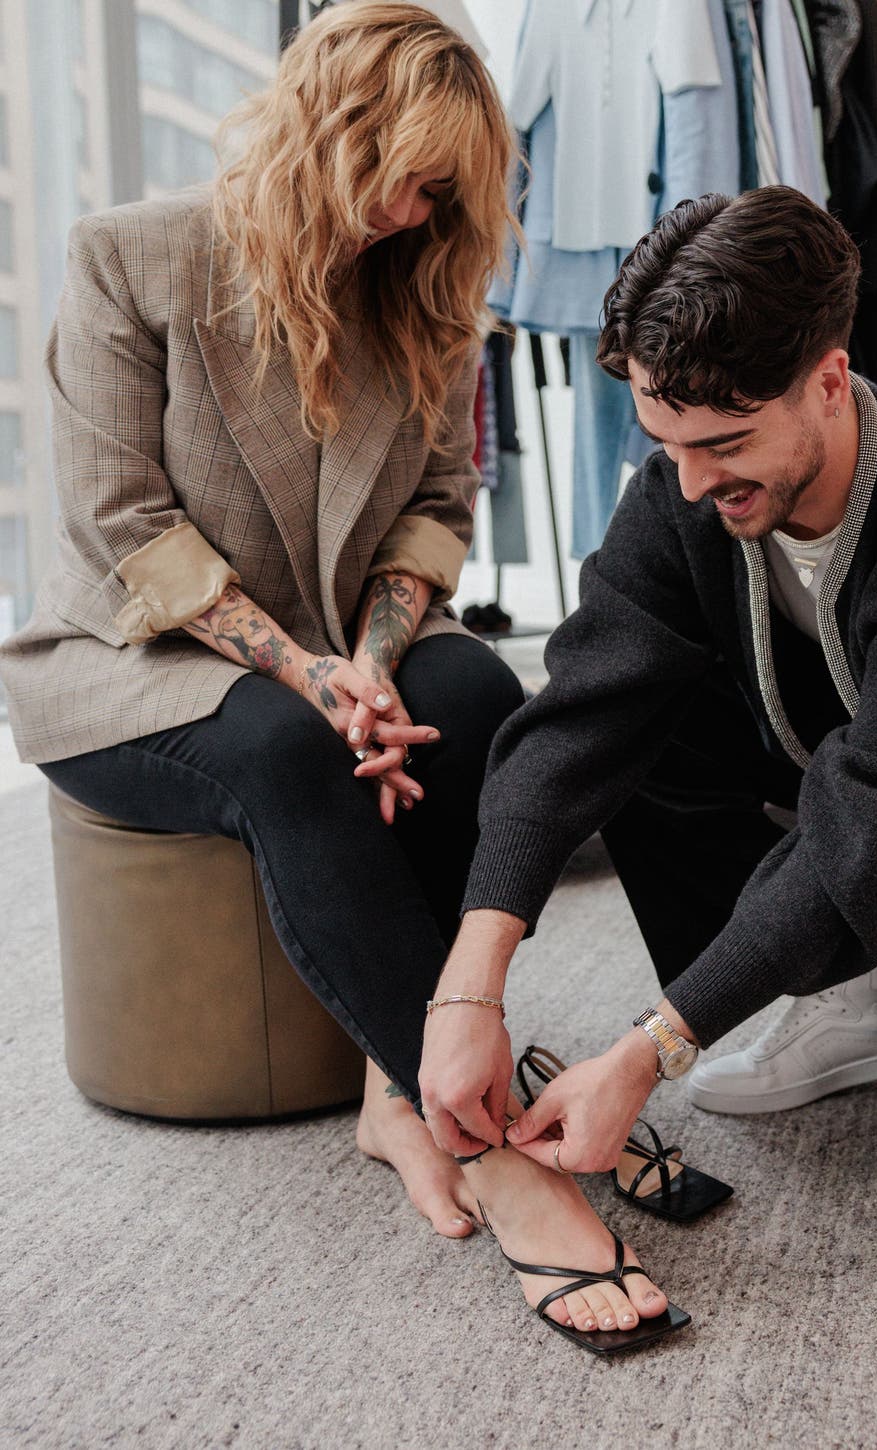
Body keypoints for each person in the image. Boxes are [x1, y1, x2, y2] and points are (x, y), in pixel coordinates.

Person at [1, 2, 677, 1349]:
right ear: (327, 128)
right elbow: (122, 523)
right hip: (129, 663)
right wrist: (314, 680)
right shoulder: (131, 261)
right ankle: (481, 1142)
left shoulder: (417, 290)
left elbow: (438, 499)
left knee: (481, 700)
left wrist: (368, 664)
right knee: (290, 746)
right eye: (403, 173)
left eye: (443, 190)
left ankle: (395, 1081)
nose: (413, 210)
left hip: (328, 648)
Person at [420, 184, 877, 1182]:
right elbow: (574, 721)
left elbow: (862, 828)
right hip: (859, 733)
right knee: (641, 725)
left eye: (723, 445)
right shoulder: (680, 492)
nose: (687, 483)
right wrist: (469, 982)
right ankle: (837, 992)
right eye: (665, 443)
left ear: (827, 379)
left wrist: (646, 1050)